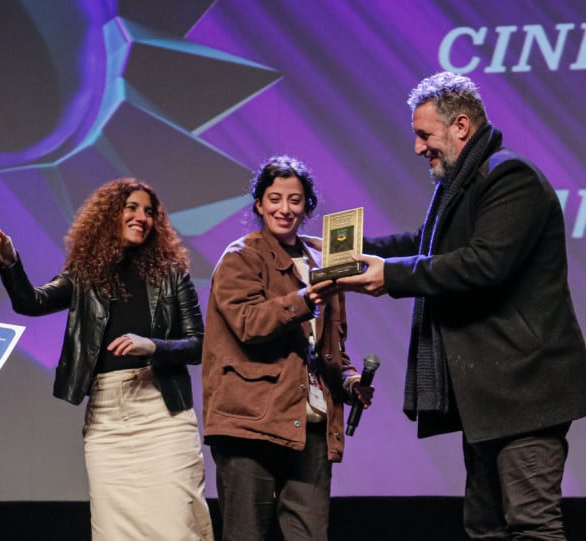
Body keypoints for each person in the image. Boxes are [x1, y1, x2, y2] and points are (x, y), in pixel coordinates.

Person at [337, 71, 586, 539]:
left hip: (527, 390)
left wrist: (389, 276)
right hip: (493, 395)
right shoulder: (465, 184)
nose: (417, 147)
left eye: (424, 134)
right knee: (485, 528)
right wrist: (353, 254)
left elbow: (481, 264)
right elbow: (427, 243)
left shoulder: (510, 177)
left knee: (531, 526)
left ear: (462, 126)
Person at [0, 178, 213, 540]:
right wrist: (10, 259)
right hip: (108, 417)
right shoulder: (85, 274)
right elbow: (30, 302)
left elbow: (198, 344)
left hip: (163, 412)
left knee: (176, 524)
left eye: (149, 212)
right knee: (115, 530)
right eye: (131, 208)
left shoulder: (173, 276)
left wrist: (154, 346)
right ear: (110, 215)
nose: (141, 217)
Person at [201, 155, 373, 541]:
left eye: (295, 200)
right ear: (259, 204)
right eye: (275, 198)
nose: (285, 208)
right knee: (246, 534)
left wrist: (349, 380)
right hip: (250, 423)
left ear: (307, 206)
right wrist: (304, 299)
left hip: (309, 422)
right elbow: (249, 324)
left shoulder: (324, 259)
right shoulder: (241, 257)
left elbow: (330, 347)